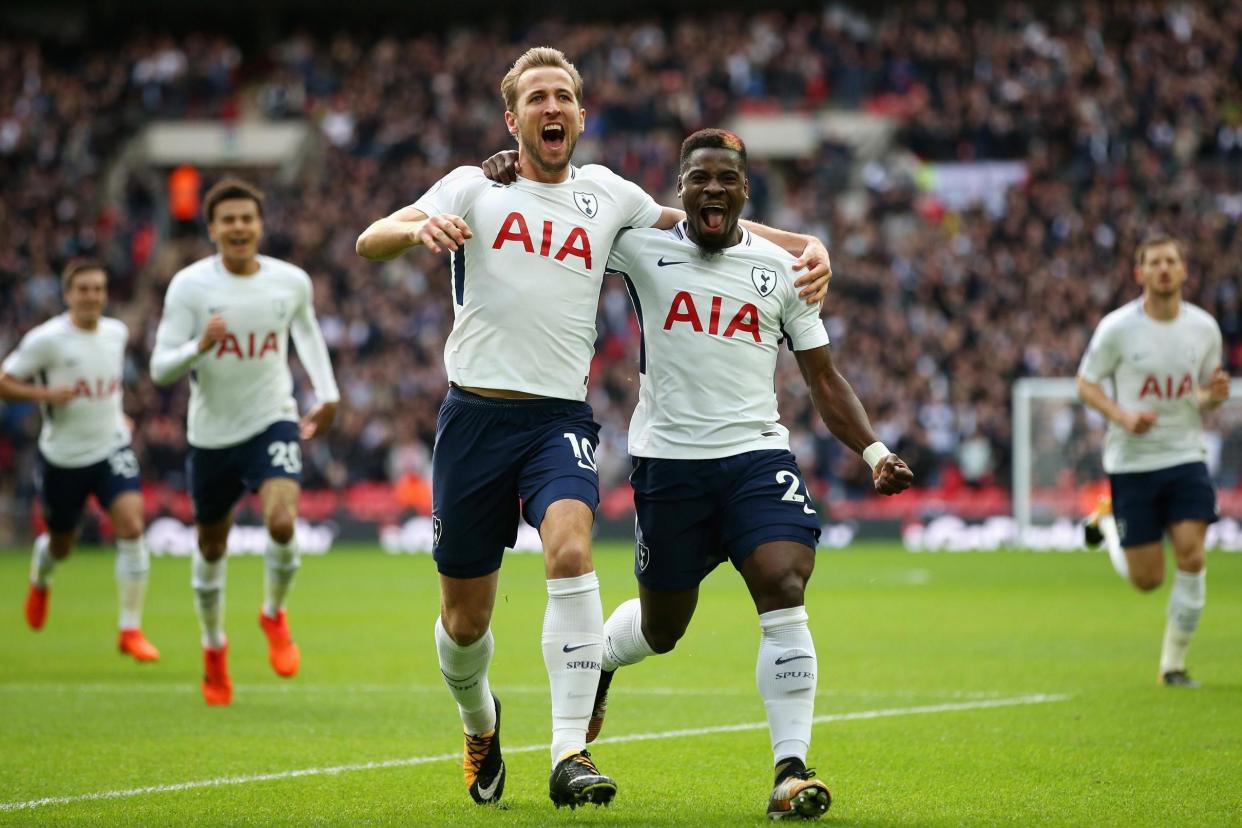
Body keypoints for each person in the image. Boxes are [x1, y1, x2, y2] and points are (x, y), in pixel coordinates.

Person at [355, 47, 831, 810]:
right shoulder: (472, 187)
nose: (553, 108)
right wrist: (416, 230)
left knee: (571, 550)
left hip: (558, 420)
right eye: (537, 97)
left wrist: (806, 247)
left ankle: (569, 751)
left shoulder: (609, 195)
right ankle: (480, 722)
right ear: (513, 119)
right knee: (464, 622)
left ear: (580, 114)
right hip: (474, 418)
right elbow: (368, 238)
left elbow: (706, 223)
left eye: (564, 96)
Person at [586, 129, 912, 821]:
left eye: (725, 179)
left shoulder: (780, 273)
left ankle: (790, 770)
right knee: (661, 629)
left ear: (743, 191)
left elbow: (823, 378)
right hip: (669, 466)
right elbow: (574, 208)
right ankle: (601, 660)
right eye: (698, 178)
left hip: (756, 458)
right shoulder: (643, 246)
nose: (712, 189)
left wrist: (875, 451)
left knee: (783, 578)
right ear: (679, 191)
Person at [150, 177, 339, 706]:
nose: (238, 227)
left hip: (272, 420)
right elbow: (160, 368)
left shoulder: (290, 282)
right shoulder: (189, 287)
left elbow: (308, 334)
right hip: (210, 436)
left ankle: (274, 613)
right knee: (211, 546)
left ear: (259, 225)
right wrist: (197, 345)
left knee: (282, 520)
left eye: (246, 218)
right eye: (227, 220)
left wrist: (327, 394)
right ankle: (214, 649)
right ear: (212, 229)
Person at [1078, 234, 1230, 688]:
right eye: (1155, 262)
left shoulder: (1204, 329)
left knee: (1192, 554)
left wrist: (1213, 397)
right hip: (1132, 461)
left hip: (1185, 455)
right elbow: (1086, 384)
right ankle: (1106, 526)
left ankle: (1173, 665)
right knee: (1147, 579)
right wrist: (1121, 415)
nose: (1164, 269)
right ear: (1139, 273)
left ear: (1185, 270)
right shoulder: (1117, 328)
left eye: (1172, 261)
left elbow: (1199, 396)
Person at [0, 259, 159, 662]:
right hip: (64, 458)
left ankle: (130, 629)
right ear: (67, 294)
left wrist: (117, 413)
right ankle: (42, 575)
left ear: (105, 294)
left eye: (98, 289)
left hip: (111, 448)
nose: (91, 296)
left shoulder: (116, 332)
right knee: (61, 544)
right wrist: (46, 397)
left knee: (132, 526)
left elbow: (108, 387)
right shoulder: (47, 340)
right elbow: (4, 381)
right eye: (83, 289)